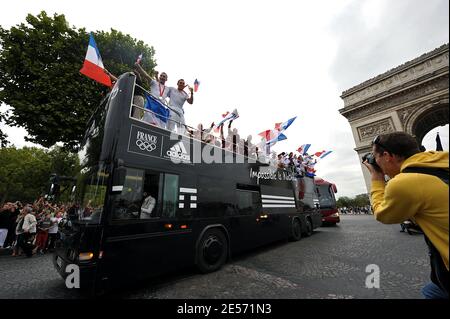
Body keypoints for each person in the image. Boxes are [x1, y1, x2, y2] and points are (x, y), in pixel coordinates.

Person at [363, 132, 449, 299]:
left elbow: (382, 214)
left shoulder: (405, 182)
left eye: (375, 157)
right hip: (440, 271)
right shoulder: (440, 161)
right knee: (430, 291)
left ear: (387, 156)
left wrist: (377, 179)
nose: (376, 163)